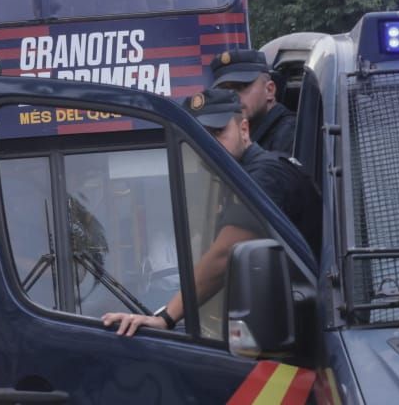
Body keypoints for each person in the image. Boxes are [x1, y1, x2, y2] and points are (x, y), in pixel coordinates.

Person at [102, 89, 317, 337]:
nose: (211, 144)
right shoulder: (237, 176)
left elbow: (224, 254)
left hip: (307, 333)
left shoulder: (263, 176)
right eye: (202, 137)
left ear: (244, 129)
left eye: (219, 132)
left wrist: (165, 318)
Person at [210, 48, 296, 156]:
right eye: (224, 90)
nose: (233, 97)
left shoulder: (289, 134)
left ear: (269, 90)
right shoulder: (233, 132)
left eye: (241, 87)